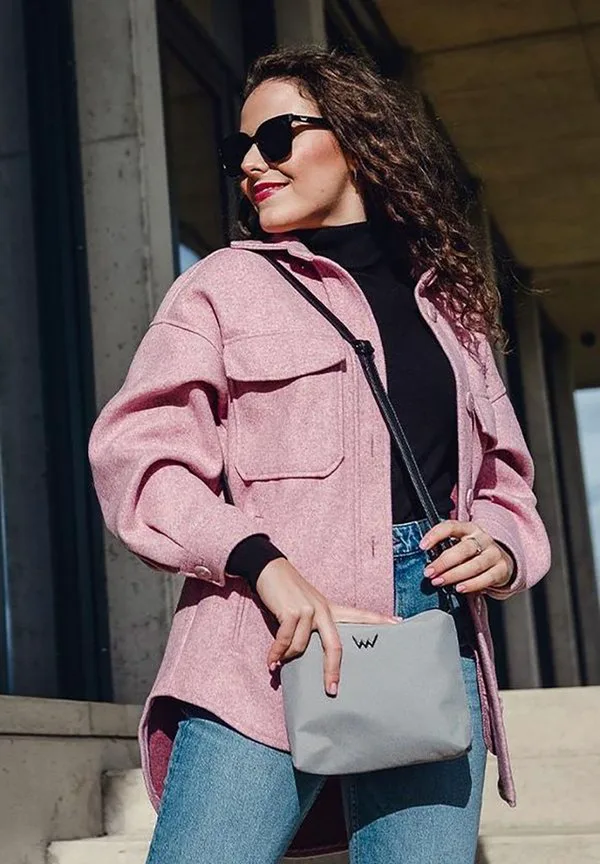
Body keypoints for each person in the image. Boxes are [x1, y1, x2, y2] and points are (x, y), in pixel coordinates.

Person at [88, 46, 551, 864]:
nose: (251, 164)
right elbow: (140, 457)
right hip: (263, 640)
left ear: (359, 140)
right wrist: (261, 562)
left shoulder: (449, 308)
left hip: (425, 636)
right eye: (238, 149)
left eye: (276, 137)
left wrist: (503, 546)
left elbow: (503, 480)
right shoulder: (223, 287)